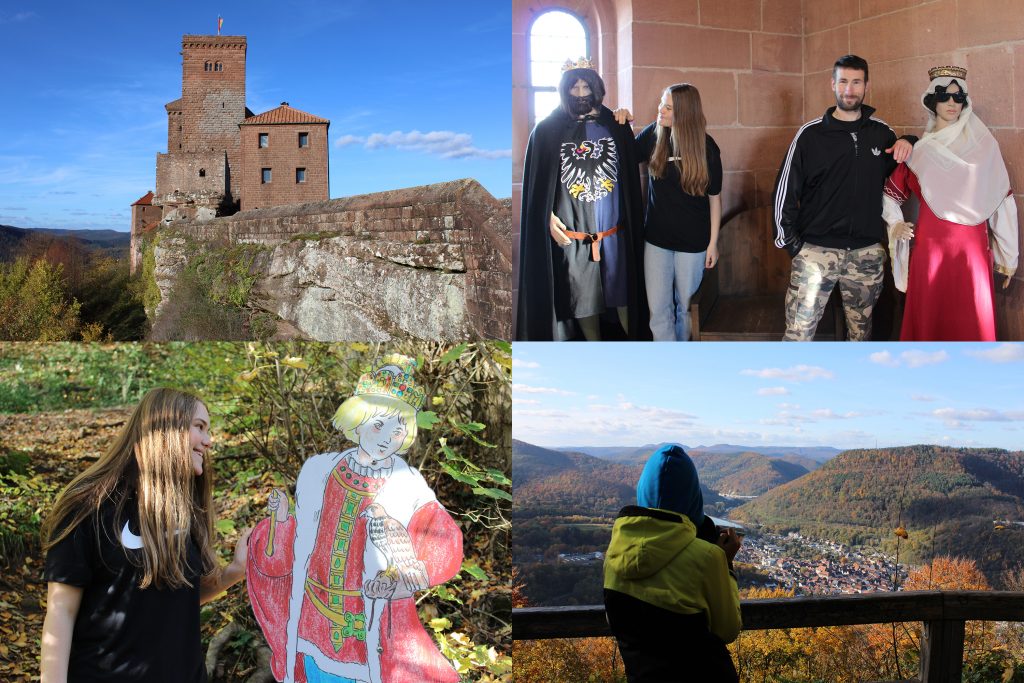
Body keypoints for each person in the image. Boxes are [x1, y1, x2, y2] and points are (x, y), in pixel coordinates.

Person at [246, 355, 463, 683]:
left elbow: (444, 541)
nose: (388, 436)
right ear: (358, 422)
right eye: (379, 424)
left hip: (371, 629)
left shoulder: (408, 486)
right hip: (313, 621)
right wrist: (282, 520)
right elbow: (299, 547)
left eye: (398, 427)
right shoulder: (318, 472)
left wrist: (400, 580)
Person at [40, 387, 250, 683]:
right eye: (199, 427)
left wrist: (234, 572)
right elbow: (61, 610)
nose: (208, 440)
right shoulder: (88, 505)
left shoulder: (184, 508)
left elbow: (179, 598)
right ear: (166, 427)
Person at [772, 55, 914, 340]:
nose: (850, 90)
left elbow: (902, 161)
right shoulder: (810, 135)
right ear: (833, 85)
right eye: (844, 82)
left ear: (866, 86)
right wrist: (792, 244)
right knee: (799, 334)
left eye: (857, 82)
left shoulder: (881, 133)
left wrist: (910, 140)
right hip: (815, 252)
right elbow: (784, 191)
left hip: (866, 255)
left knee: (860, 336)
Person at [883, 66, 1018, 340]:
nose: (952, 103)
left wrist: (1009, 254)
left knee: (972, 322)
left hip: (972, 255)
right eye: (944, 96)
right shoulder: (918, 152)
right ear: (932, 101)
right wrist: (896, 225)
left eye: (958, 98)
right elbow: (890, 195)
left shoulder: (984, 148)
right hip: (930, 253)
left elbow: (1000, 199)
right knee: (930, 322)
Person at [516, 57, 647, 341]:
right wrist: (546, 218)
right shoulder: (547, 131)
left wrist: (626, 118)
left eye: (585, 86)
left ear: (596, 88)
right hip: (572, 239)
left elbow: (641, 154)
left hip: (614, 236)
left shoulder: (615, 125)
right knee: (582, 297)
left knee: (621, 292)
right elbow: (538, 190)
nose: (580, 93)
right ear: (564, 91)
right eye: (573, 87)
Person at [603, 444, 742, 682]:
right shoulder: (708, 556)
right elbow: (728, 630)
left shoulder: (615, 555)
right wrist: (726, 564)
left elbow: (618, 622)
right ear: (692, 497)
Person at [634, 84, 722, 340]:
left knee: (684, 309)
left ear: (684, 112)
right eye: (661, 103)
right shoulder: (653, 134)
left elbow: (715, 200)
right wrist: (616, 118)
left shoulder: (707, 148)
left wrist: (713, 244)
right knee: (658, 311)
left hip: (693, 243)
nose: (660, 110)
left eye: (668, 107)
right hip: (657, 241)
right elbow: (623, 152)